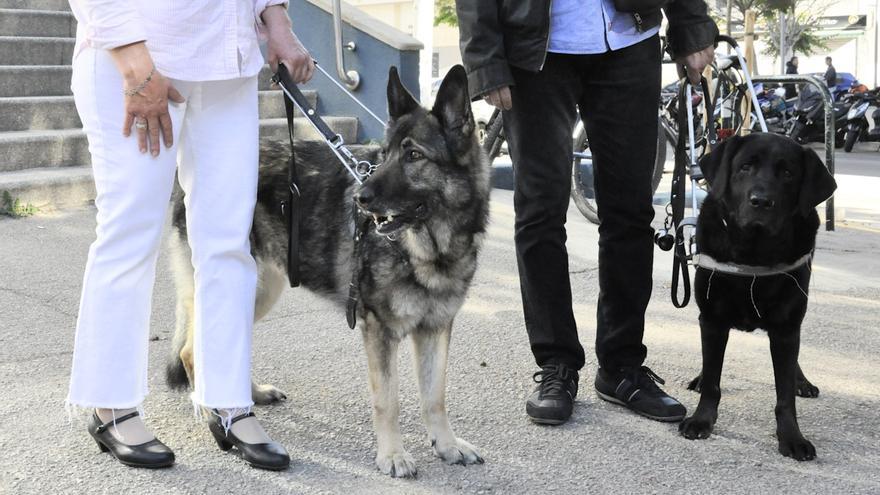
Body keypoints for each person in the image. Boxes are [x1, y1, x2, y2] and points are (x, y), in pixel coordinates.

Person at [66, 0, 314, 470]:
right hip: (138, 53)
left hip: (228, 60)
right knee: (129, 234)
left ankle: (228, 400)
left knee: (229, 240)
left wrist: (277, 19)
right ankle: (110, 403)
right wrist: (132, 58)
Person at [455, 0, 717, 425]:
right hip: (536, 51)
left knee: (630, 213)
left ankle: (621, 366)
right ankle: (557, 363)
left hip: (629, 41)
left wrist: (692, 25)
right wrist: (485, 60)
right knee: (540, 212)